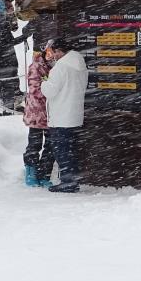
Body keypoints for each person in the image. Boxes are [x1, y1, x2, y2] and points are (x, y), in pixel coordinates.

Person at [40, 38, 88, 193]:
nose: (53, 55)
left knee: (62, 150)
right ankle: (72, 179)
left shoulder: (60, 68)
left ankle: (68, 181)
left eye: (53, 52)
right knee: (71, 149)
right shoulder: (80, 64)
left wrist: (44, 82)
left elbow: (50, 91)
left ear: (59, 51)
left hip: (61, 115)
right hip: (74, 114)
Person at [23, 49, 54, 188]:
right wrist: (52, 88)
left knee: (51, 144)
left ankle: (44, 173)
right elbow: (35, 89)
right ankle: (31, 171)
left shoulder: (56, 66)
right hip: (36, 112)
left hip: (51, 111)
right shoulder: (36, 66)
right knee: (34, 144)